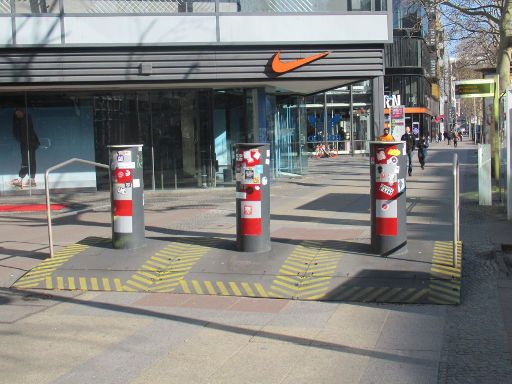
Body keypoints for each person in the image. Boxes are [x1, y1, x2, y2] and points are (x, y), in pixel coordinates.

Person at [11, 108, 40, 188]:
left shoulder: (25, 120)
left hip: (28, 143)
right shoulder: (22, 121)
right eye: (16, 113)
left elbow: (25, 133)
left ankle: (25, 179)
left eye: (18, 112)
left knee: (27, 161)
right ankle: (29, 179)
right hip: (27, 143)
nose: (17, 114)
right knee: (28, 160)